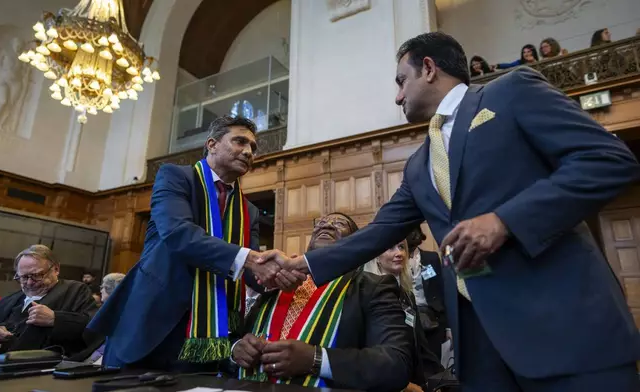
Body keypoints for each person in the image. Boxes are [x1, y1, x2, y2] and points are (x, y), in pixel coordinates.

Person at [261, 32, 640, 391]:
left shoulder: (511, 92)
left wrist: (506, 220)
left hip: (566, 330)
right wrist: (304, 265)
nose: (397, 97)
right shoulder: (417, 165)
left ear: (428, 68)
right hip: (482, 350)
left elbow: (607, 159)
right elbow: (380, 231)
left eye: (400, 81)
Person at [88, 116, 300, 371]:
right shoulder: (176, 177)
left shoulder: (249, 211)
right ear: (212, 144)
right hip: (149, 322)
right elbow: (178, 233)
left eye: (253, 147)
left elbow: (251, 276)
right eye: (240, 142)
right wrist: (253, 260)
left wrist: (278, 276)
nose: (248, 151)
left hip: (207, 336)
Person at [233, 213, 424, 392]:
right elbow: (232, 343)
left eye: (339, 223)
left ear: (356, 243)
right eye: (321, 223)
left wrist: (315, 359)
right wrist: (237, 350)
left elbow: (395, 364)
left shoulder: (372, 288)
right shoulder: (278, 284)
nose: (327, 225)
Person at [365, 238, 445, 390]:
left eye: (402, 247)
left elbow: (420, 344)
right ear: (377, 257)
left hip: (412, 375)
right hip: (384, 381)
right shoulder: (366, 295)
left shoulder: (408, 295)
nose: (399, 253)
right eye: (390, 248)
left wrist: (439, 376)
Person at [0, 245, 98, 356]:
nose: (30, 283)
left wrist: (56, 319)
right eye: (24, 277)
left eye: (37, 275)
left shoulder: (75, 291)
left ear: (56, 269)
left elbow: (95, 328)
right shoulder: (10, 299)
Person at [404, 228, 448, 360]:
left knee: (434, 362)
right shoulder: (397, 259)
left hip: (433, 319)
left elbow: (442, 291)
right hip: (407, 319)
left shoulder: (431, 258)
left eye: (415, 232)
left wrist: (448, 327)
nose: (413, 236)